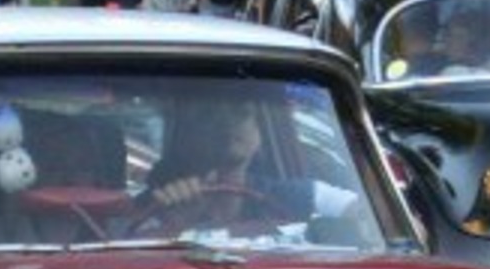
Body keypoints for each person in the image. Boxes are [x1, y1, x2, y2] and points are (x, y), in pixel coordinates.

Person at [142, 100, 362, 233]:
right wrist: (176, 221)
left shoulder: (299, 195)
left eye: (242, 113)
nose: (227, 124)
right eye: (209, 116)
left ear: (259, 134)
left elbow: (369, 218)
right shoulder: (157, 205)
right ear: (186, 136)